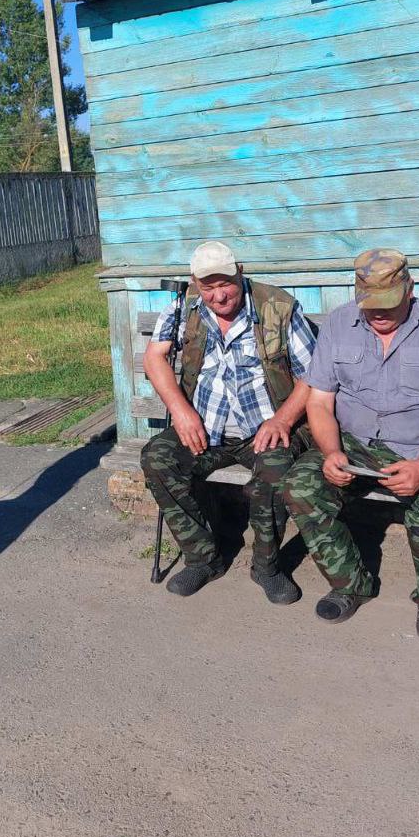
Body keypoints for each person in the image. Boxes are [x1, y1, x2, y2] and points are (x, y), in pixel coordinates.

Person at [280, 248, 419, 643]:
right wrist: (332, 451)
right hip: (355, 443)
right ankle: (350, 584)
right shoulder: (339, 324)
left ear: (410, 289)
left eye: (388, 304)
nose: (379, 314)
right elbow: (319, 400)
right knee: (301, 487)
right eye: (370, 305)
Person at [140, 241, 315, 600]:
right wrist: (181, 411)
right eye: (208, 288)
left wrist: (283, 421)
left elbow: (315, 375)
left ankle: (267, 567)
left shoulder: (278, 307)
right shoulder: (181, 308)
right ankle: (204, 558)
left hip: (264, 429)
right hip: (205, 429)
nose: (219, 296)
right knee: (158, 458)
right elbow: (154, 358)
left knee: (276, 469)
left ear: (241, 273)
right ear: (195, 284)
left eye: (226, 285)